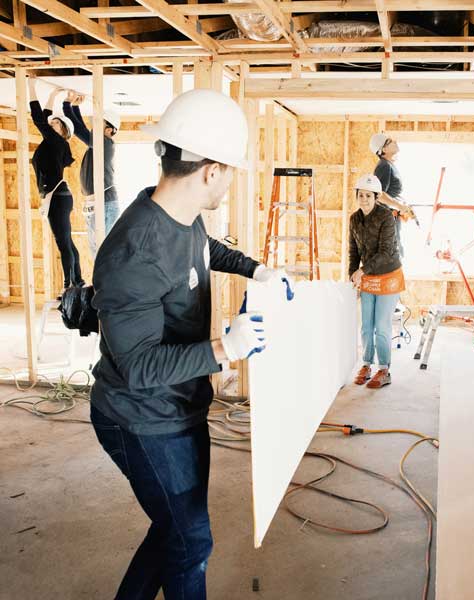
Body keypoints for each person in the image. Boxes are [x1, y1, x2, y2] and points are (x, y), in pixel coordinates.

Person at [90, 88, 286, 600]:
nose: (230, 181)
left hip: (180, 405)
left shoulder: (182, 216)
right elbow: (137, 367)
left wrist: (256, 268)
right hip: (141, 417)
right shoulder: (133, 252)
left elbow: (205, 248)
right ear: (211, 170)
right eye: (231, 171)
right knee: (191, 541)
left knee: (174, 530)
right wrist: (223, 349)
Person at [28, 76, 84, 292]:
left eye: (55, 124)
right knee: (67, 241)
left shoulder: (55, 141)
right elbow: (44, 117)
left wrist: (31, 87)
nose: (50, 124)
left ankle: (68, 286)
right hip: (59, 196)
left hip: (58, 198)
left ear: (62, 131)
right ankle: (76, 280)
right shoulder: (53, 142)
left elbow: (38, 118)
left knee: (63, 243)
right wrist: (52, 95)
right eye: (51, 124)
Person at [349, 174, 405, 389]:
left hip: (388, 275)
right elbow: (353, 251)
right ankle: (366, 364)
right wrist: (352, 275)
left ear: (376, 197)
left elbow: (385, 251)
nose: (364, 199)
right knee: (366, 326)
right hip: (367, 277)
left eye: (368, 196)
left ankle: (384, 369)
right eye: (360, 195)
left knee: (381, 326)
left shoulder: (386, 217)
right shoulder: (355, 219)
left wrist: (362, 271)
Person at [63, 91, 121, 256]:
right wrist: (74, 108)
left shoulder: (106, 143)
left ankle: (106, 282)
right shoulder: (97, 144)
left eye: (98, 124)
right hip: (96, 205)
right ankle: (102, 282)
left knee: (103, 251)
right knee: (97, 251)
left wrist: (67, 105)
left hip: (105, 204)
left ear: (109, 130)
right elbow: (81, 128)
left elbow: (79, 131)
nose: (94, 127)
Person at [369, 133, 415, 259]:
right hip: (388, 218)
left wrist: (402, 205)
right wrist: (399, 206)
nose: (395, 141)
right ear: (383, 149)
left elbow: (390, 194)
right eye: (390, 141)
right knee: (394, 254)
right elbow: (379, 195)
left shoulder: (388, 165)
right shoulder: (384, 166)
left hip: (392, 217)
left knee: (396, 251)